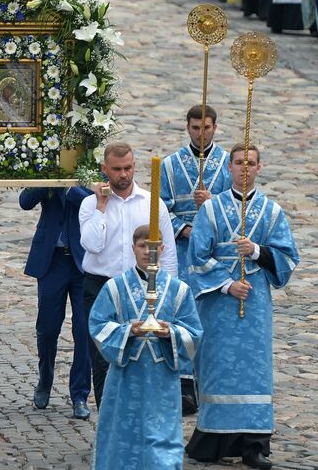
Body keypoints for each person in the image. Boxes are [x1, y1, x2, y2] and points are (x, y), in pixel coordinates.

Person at [185, 143, 299, 469]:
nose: (244, 168)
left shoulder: (272, 212)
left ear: (260, 167)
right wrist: (226, 284)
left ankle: (255, 444)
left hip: (255, 302)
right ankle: (215, 439)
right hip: (220, 304)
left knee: (254, 370)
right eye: (238, 162)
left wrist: (256, 251)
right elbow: (197, 257)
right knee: (218, 367)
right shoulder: (211, 210)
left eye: (250, 163)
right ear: (229, 168)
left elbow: (288, 257)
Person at [89, 224, 202, 470]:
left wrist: (169, 332)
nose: (147, 252)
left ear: (162, 248)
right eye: (142, 246)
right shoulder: (115, 287)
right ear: (133, 248)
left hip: (162, 379)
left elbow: (193, 332)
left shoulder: (178, 290)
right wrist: (129, 330)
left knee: (161, 438)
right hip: (126, 376)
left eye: (153, 247)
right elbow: (97, 324)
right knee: (124, 432)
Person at [79, 141, 177, 411]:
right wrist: (101, 205)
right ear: (104, 169)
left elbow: (166, 254)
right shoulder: (89, 204)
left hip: (140, 285)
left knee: (140, 355)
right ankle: (107, 424)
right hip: (100, 287)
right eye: (117, 169)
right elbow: (91, 244)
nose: (123, 174)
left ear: (134, 167)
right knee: (101, 356)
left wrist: (167, 292)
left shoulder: (152, 204)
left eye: (128, 168)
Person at [160, 104, 231, 413]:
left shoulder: (229, 163)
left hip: (215, 250)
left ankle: (211, 380)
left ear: (215, 128)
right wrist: (185, 228)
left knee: (212, 314)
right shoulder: (170, 165)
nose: (201, 134)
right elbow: (161, 208)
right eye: (195, 128)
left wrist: (212, 203)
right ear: (187, 128)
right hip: (183, 249)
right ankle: (184, 385)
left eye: (206, 128)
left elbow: (235, 207)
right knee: (183, 311)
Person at [19, 186, 93, 420]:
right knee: (48, 328)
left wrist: (71, 187)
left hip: (83, 261)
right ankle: (45, 379)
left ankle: (80, 394)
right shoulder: (48, 170)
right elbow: (25, 201)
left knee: (84, 329)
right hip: (52, 261)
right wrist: (49, 180)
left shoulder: (90, 170)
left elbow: (95, 200)